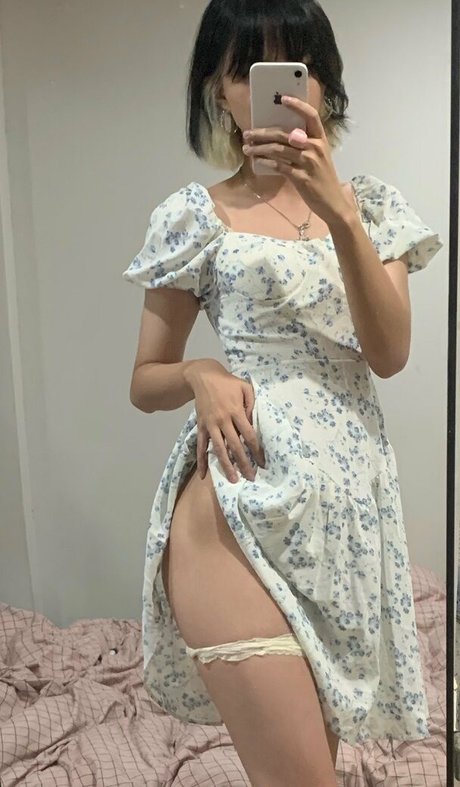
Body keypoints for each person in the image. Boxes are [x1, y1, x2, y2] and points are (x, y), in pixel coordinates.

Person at [122, 1, 443, 785]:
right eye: (247, 71)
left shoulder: (370, 209)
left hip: (346, 525)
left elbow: (389, 352)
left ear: (323, 81)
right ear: (219, 89)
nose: (276, 92)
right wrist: (200, 372)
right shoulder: (194, 217)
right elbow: (144, 380)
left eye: (297, 67)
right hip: (235, 509)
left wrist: (339, 215)